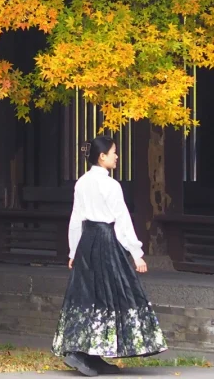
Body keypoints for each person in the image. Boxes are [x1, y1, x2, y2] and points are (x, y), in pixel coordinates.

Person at [52, 132, 166, 375]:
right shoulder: (111, 185)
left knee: (86, 293)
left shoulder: (81, 182)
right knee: (111, 293)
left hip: (86, 240)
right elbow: (122, 221)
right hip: (105, 240)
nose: (117, 157)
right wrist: (136, 253)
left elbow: (76, 219)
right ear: (102, 157)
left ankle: (91, 353)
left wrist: (73, 250)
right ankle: (80, 352)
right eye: (114, 153)